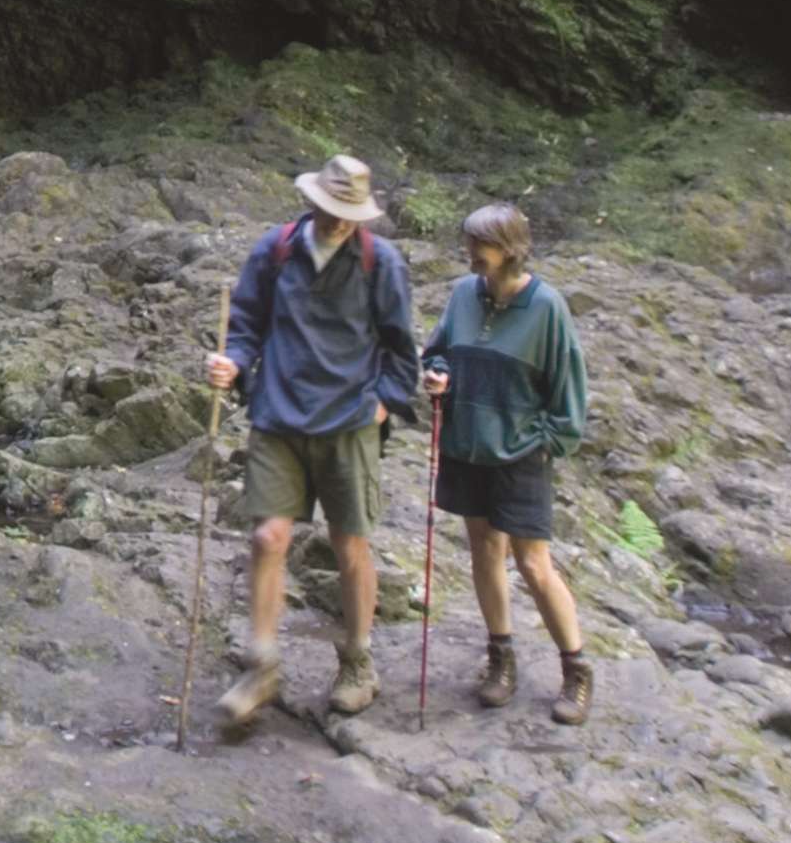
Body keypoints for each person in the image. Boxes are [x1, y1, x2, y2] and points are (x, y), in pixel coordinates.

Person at [202, 152, 420, 727]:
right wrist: (233, 364)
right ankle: (262, 664)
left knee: (350, 545)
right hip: (278, 413)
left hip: (350, 422)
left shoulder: (381, 262)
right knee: (268, 537)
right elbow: (246, 326)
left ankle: (357, 661)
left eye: (349, 214)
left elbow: (402, 349)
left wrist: (382, 404)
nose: (338, 222)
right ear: (312, 202)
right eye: (330, 210)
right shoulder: (274, 251)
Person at [420, 200, 595, 723]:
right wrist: (437, 377)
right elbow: (438, 352)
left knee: (534, 564)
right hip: (467, 447)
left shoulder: (547, 308)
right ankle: (501, 659)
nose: (471, 253)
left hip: (521, 455)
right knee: (484, 551)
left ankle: (576, 670)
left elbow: (569, 395)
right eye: (470, 243)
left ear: (510, 249)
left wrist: (544, 442)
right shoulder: (461, 295)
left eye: (481, 245)